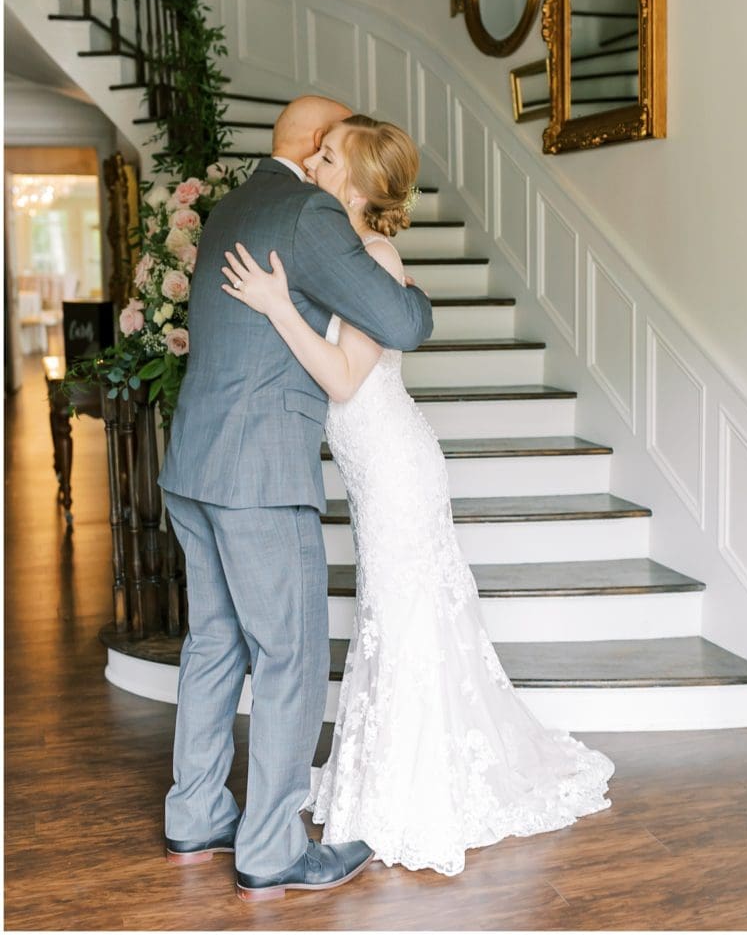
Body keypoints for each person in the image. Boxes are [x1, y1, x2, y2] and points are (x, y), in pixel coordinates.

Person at [221, 115, 616, 877]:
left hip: (398, 471)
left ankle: (415, 792)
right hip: (377, 471)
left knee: (403, 623)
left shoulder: (375, 255)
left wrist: (276, 305)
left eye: (327, 157)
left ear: (358, 186)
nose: (314, 164)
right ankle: (389, 778)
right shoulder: (342, 252)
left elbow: (344, 377)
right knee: (391, 620)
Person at [157, 96, 434, 902]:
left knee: (214, 643)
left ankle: (195, 812)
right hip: (259, 475)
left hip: (193, 463)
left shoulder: (232, 207)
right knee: (291, 656)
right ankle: (273, 850)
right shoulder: (310, 212)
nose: (325, 160)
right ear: (317, 145)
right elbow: (402, 323)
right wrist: (415, 293)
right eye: (332, 143)